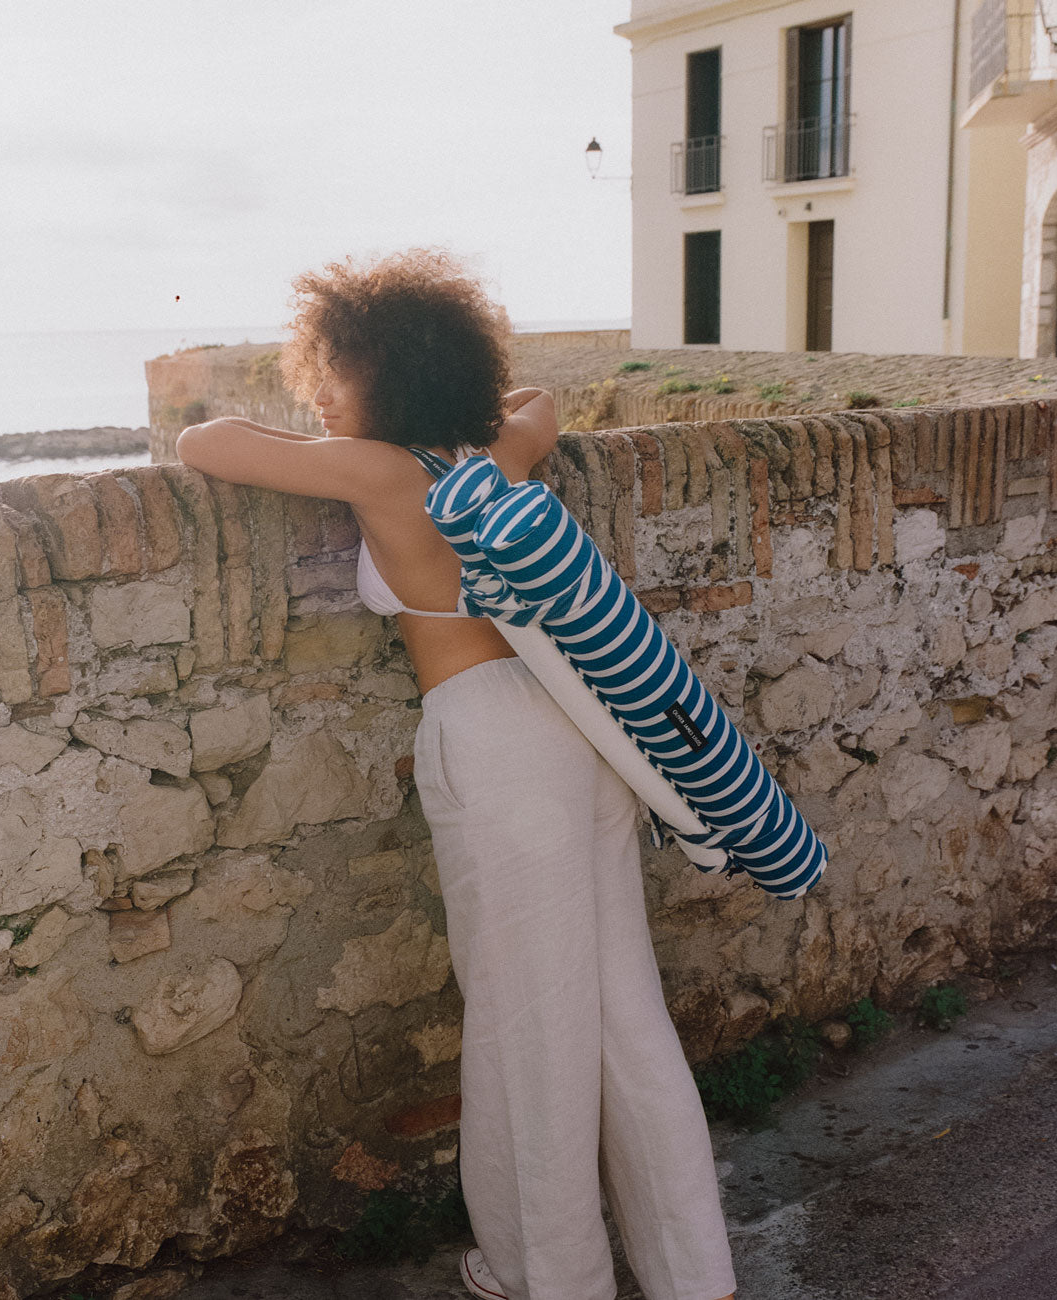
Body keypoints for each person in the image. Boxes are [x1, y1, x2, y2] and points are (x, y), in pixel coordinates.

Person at [175, 248, 739, 1300]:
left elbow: (205, 441)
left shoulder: (379, 472)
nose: (322, 391)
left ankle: (545, 1275)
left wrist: (324, 433)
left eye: (335, 369)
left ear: (387, 370)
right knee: (622, 1012)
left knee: (532, 1021)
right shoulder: (488, 456)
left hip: (490, 742)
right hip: (582, 729)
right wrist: (466, 417)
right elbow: (542, 400)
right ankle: (693, 1273)